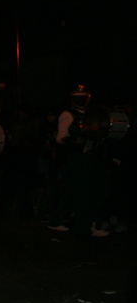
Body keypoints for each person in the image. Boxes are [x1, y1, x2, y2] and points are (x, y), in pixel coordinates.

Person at [47, 85, 110, 237]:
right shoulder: (69, 114)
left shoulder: (93, 113)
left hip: (92, 156)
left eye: (84, 97)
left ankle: (56, 221)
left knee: (82, 191)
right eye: (78, 97)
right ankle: (86, 227)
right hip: (77, 158)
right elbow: (60, 138)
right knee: (82, 193)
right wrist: (73, 141)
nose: (82, 100)